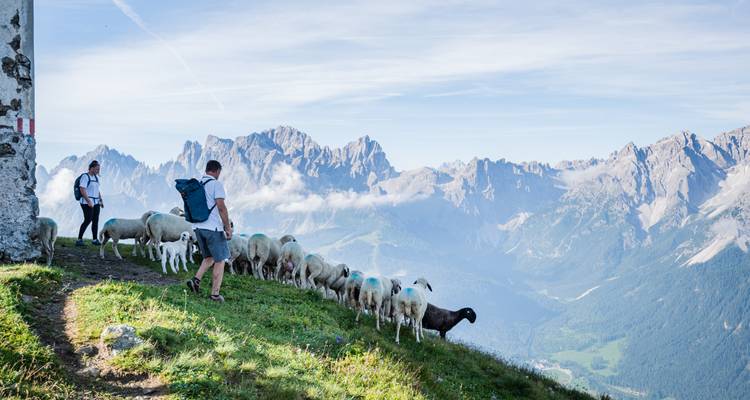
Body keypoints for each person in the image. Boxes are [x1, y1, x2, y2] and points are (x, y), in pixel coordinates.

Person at [186, 160, 232, 302]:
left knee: (209, 258)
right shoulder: (216, 184)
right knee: (220, 260)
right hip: (213, 228)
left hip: (198, 227)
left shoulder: (198, 184)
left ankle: (196, 281)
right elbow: (221, 207)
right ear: (217, 171)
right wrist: (228, 228)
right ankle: (215, 294)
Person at [76, 160, 104, 246]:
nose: (98, 171)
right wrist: (88, 201)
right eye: (97, 169)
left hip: (96, 202)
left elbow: (97, 190)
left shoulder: (96, 178)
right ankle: (79, 239)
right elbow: (82, 189)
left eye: (99, 169)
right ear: (91, 168)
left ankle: (95, 240)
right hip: (86, 202)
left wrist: (100, 200)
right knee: (88, 220)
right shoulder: (85, 176)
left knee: (95, 220)